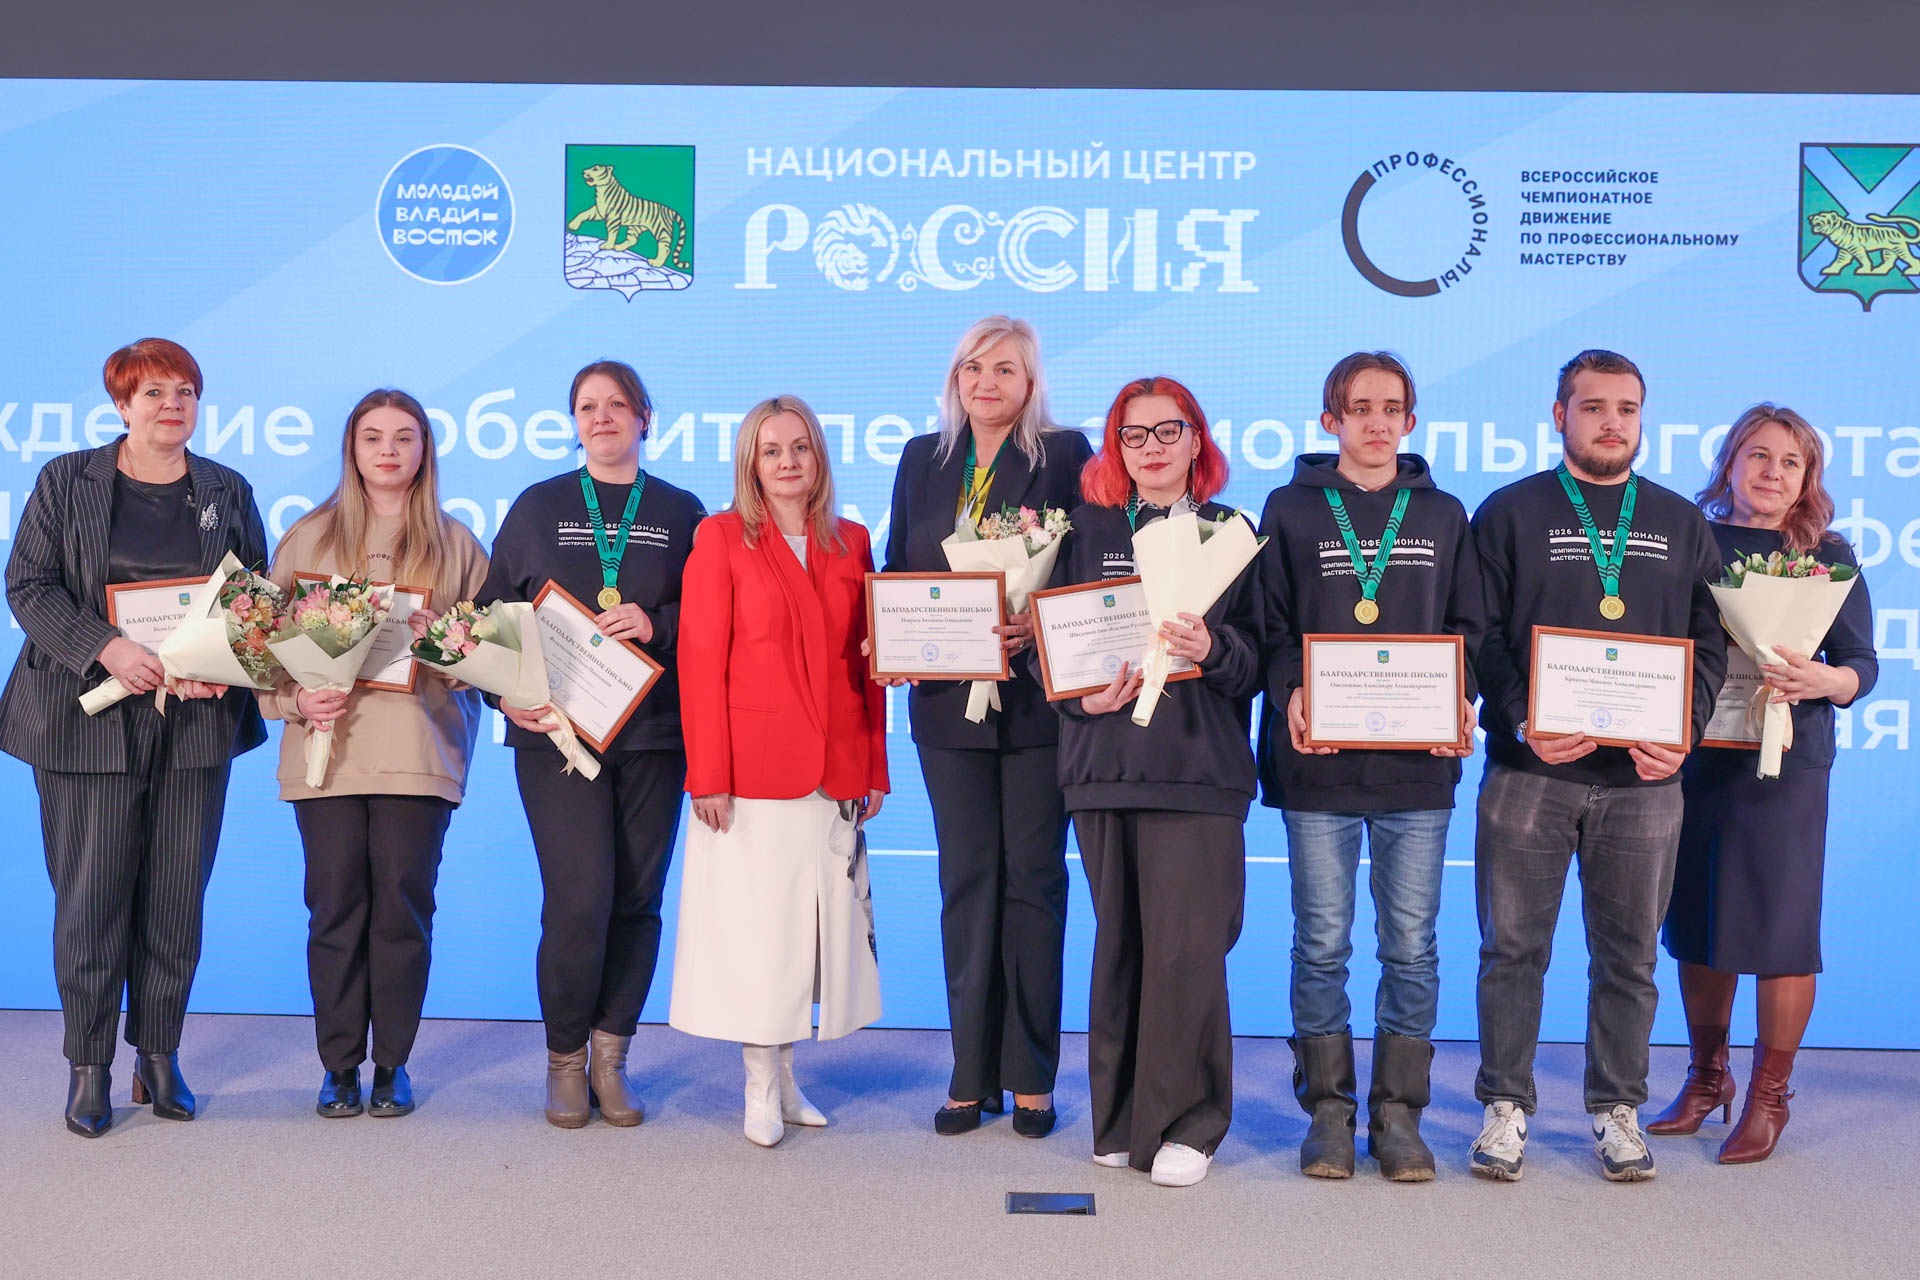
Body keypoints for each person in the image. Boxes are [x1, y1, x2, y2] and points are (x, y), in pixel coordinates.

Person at [1468, 349, 1727, 1183]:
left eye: (1627, 408)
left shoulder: (1682, 521)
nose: (1612, 422)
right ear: (1560, 416)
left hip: (1646, 782)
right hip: (1529, 772)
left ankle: (1618, 1109)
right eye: (1593, 407)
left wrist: (1684, 729)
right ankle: (1505, 1107)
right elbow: (1482, 635)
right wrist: (1522, 721)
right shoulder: (1509, 512)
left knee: (1630, 958)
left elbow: (1711, 642)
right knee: (1513, 950)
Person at [0, 338, 267, 1137]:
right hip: (85, 719)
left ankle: (159, 1056)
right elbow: (28, 585)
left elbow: (251, 598)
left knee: (176, 897)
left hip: (194, 721)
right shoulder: (67, 480)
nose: (171, 405)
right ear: (121, 405)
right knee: (91, 901)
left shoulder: (226, 487)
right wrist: (106, 647)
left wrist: (225, 664)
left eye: (184, 391)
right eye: (153, 392)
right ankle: (89, 1065)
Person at [1255, 352, 1483, 1182]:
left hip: (1417, 768)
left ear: (1410, 421)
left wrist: (1461, 696)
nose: (1377, 423)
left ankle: (1397, 1116)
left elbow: (1467, 626)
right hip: (1319, 763)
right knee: (1321, 944)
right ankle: (1327, 1112)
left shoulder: (1444, 513)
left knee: (1411, 946)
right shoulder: (1289, 508)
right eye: (1360, 409)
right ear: (1332, 421)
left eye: (1392, 409)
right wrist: (1291, 693)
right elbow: (1271, 625)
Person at [478, 359, 706, 1129]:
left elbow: (713, 612)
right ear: (574, 422)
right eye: (586, 406)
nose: (601, 417)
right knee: (580, 900)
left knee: (638, 902)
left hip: (654, 732)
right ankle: (564, 1061)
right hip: (557, 736)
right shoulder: (539, 506)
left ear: (645, 418)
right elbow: (490, 616)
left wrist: (657, 623)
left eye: (616, 405)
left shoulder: (680, 509)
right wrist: (504, 695)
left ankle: (613, 1058)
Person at [1045, 376, 1259, 1188]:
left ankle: (1191, 1126)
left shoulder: (1234, 533)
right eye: (1133, 435)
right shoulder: (1085, 530)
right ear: (1116, 447)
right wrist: (1081, 696)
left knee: (1186, 952)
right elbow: (1048, 652)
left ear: (1196, 439)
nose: (1152, 448)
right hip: (1103, 767)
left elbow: (1263, 655)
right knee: (1122, 951)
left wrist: (1213, 649)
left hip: (1197, 770)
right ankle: (1123, 1117)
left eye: (1169, 430)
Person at [880, 315, 1092, 1138]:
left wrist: (1036, 624)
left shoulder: (1065, 455)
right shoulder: (921, 458)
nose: (986, 382)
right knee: (966, 884)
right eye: (972, 368)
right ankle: (970, 1072)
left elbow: (1087, 565)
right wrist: (889, 640)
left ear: (1030, 382)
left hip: (1037, 703)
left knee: (1033, 884)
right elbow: (899, 568)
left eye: (1004, 369)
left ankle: (1031, 1075)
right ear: (955, 380)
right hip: (944, 706)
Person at [1649, 404, 1877, 1163]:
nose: (1771, 472)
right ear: (1730, 463)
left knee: (1781, 933)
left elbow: (1862, 664)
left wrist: (1826, 680)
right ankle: (1706, 1079)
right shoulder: (1694, 539)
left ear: (1808, 477)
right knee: (1698, 924)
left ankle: (1770, 1097)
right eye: (1757, 455)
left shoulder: (1828, 555)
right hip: (1700, 757)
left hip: (1788, 765)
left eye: (1789, 461)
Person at [259, 390, 490, 1119]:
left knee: (402, 910)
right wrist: (295, 703)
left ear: (425, 449)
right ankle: (338, 1066)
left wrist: (443, 641)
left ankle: (392, 1063)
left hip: (418, 755)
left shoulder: (457, 545)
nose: (388, 450)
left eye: (404, 437)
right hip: (326, 756)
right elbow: (259, 649)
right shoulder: (307, 538)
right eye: (372, 437)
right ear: (351, 449)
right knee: (334, 908)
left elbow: (490, 665)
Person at [670, 395, 888, 1148]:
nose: (789, 461)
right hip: (751, 774)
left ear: (819, 457)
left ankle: (788, 1079)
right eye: (772, 450)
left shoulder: (852, 541)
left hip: (835, 769)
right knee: (761, 936)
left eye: (801, 447)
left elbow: (871, 663)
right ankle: (759, 1084)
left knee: (812, 938)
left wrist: (876, 765)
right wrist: (708, 773)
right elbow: (700, 660)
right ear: (750, 464)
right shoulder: (720, 537)